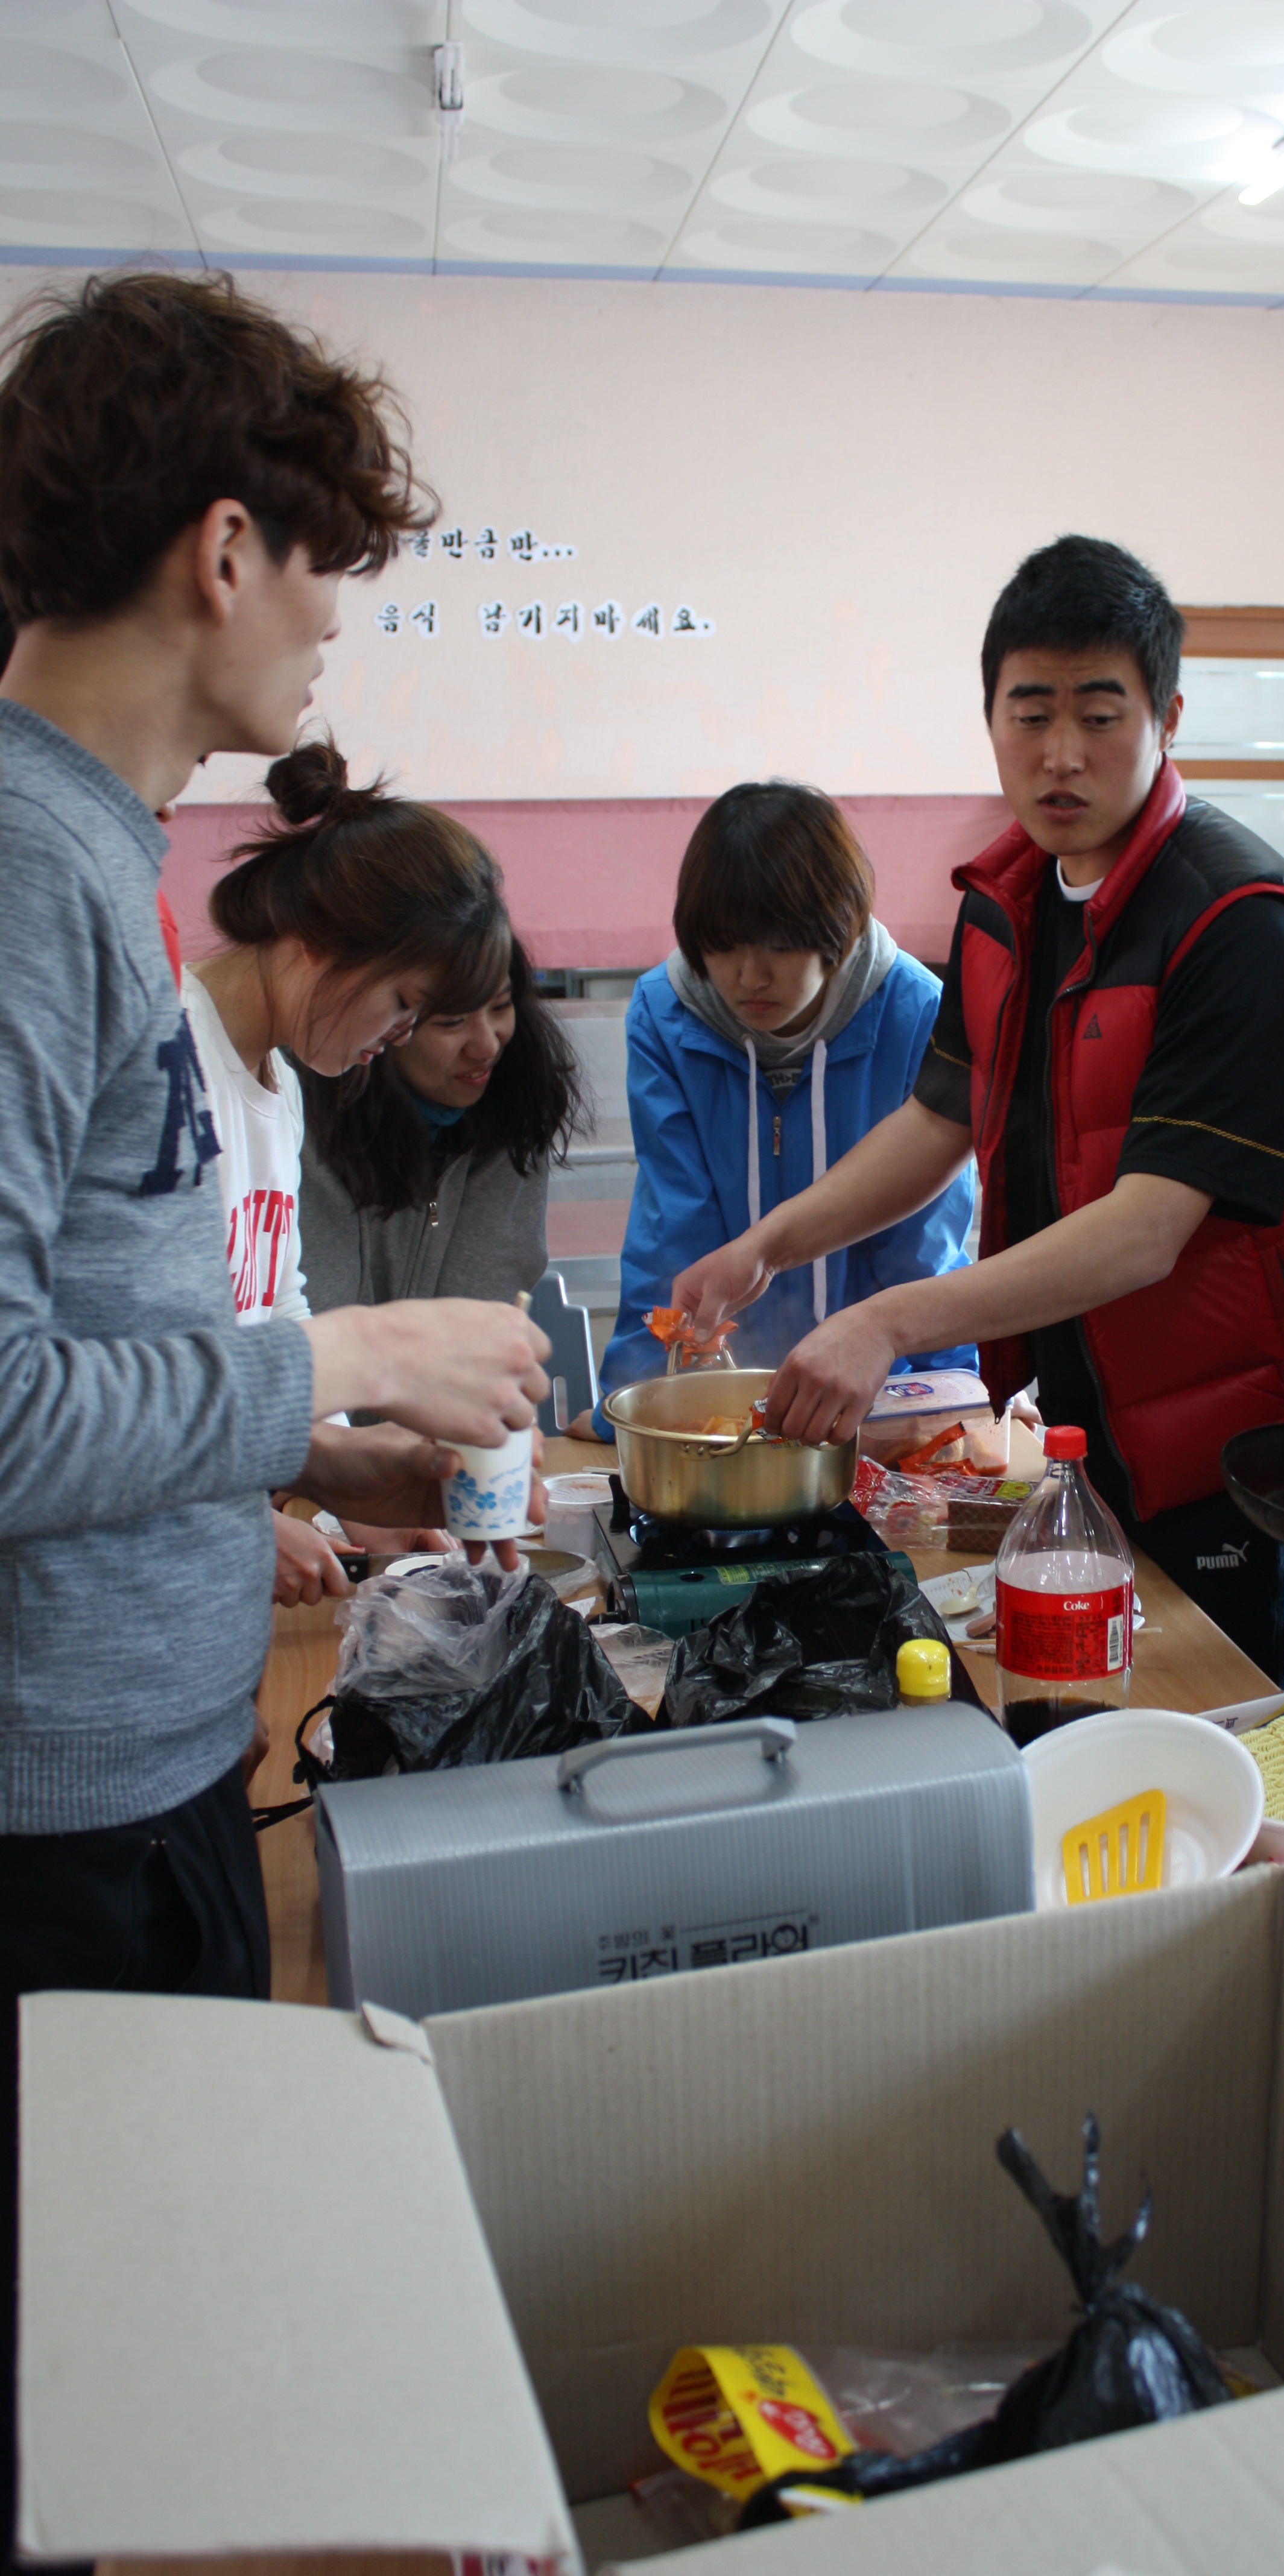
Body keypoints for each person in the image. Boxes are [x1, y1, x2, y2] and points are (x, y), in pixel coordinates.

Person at [0, 268, 548, 2568]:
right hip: (59, 1827)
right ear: (223, 550)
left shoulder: (82, 859)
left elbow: (99, 1354)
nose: (331, 625)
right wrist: (340, 1360)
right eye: (325, 566)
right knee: (101, 2417)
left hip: (148, 1766)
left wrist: (312, 1454)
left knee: (150, 2397)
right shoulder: (24, 869)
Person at [675, 540, 1284, 1692]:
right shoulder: (1007, 901)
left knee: (1247, 1725)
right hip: (1085, 1422)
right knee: (1097, 1709)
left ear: (1166, 717)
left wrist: (883, 1321)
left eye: (1098, 715)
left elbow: (1147, 1229)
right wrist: (766, 1246)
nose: (1059, 754)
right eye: (1030, 714)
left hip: (1229, 1447)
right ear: (989, 717)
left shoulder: (1238, 919)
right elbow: (937, 1120)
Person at [186, 735, 564, 1605]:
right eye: (405, 1005)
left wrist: (343, 1471)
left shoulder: (276, 1084)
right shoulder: (169, 1061)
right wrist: (228, 1521)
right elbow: (109, 1380)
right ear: (320, 943)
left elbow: (275, 1317)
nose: (398, 1040)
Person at [585, 778, 976, 1435]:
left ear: (839, 927)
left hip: (878, 1393)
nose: (750, 976)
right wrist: (631, 1411)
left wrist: (954, 1403)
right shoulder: (663, 1014)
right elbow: (671, 1235)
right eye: (723, 946)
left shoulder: (919, 1015)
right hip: (729, 1399)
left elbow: (924, 1249)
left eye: (779, 944)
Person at [299, 924, 582, 1318]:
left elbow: (480, 1314)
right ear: (383, 1024)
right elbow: (316, 1324)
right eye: (451, 1022)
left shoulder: (515, 1108)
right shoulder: (299, 1127)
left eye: (500, 1007)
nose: (486, 1045)